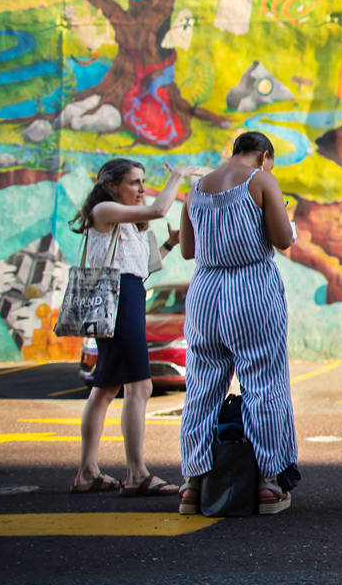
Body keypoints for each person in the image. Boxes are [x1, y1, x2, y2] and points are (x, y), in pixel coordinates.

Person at [177, 131, 299, 515]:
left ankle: (193, 484)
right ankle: (267, 481)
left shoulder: (196, 189)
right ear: (264, 156)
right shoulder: (260, 180)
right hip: (251, 289)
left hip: (205, 291)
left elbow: (187, 250)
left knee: (202, 385)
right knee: (263, 381)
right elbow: (283, 240)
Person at [70, 159, 204, 496]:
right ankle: (136, 474)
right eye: (135, 182)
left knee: (105, 389)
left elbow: (140, 267)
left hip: (127, 295)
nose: (142, 189)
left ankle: (87, 472)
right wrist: (178, 175)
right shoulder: (104, 210)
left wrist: (171, 245)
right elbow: (160, 210)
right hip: (119, 302)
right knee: (140, 388)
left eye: (143, 182)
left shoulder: (126, 223)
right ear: (111, 185)